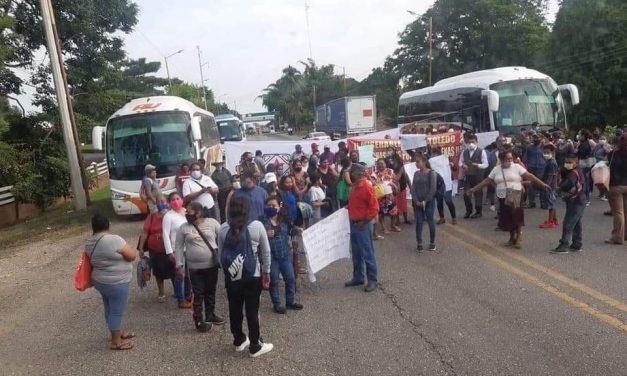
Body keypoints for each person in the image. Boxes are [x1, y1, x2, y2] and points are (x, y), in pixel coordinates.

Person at [218, 196, 273, 357]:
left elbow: (220, 255)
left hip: (232, 277)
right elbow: (266, 251)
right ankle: (255, 345)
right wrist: (266, 271)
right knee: (252, 310)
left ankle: (239, 340)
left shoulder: (223, 228)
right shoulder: (256, 226)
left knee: (234, 308)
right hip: (252, 275)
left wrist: (229, 271)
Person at [467, 151, 550, 249]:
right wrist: (473, 189)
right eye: (508, 159)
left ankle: (518, 237)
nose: (510, 161)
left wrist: (542, 184)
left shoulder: (516, 167)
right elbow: (486, 181)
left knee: (516, 215)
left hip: (514, 192)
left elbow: (530, 176)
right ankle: (512, 238)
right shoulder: (496, 169)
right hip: (502, 194)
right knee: (507, 216)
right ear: (501, 160)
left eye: (511, 158)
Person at [87, 213, 137, 350]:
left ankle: (117, 333)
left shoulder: (90, 241)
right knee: (116, 311)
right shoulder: (114, 239)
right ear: (107, 224)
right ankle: (116, 341)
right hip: (116, 282)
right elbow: (132, 256)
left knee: (109, 307)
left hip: (100, 281)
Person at [175, 202, 224, 331]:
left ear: (199, 212)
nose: (187, 215)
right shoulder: (183, 228)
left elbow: (222, 239)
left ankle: (210, 314)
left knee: (210, 291)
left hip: (211, 265)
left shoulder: (212, 223)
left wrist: (222, 257)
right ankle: (198, 320)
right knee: (198, 293)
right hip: (194, 267)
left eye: (190, 212)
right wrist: (179, 265)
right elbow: (179, 247)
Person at [261, 197, 303, 314]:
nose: (271, 207)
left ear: (279, 207)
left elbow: (291, 230)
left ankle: (290, 302)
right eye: (269, 205)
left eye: (273, 205)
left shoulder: (284, 219)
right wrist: (264, 234)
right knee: (274, 280)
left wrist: (297, 230)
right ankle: (277, 304)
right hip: (271, 257)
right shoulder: (261, 221)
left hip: (285, 255)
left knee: (290, 279)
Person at [345, 163, 379, 292]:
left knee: (367, 253)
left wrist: (365, 220)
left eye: (351, 173)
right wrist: (348, 208)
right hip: (354, 223)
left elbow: (374, 208)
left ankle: (372, 280)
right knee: (356, 253)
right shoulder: (354, 187)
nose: (350, 175)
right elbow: (356, 203)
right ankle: (358, 277)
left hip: (363, 225)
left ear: (356, 174)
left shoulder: (366, 187)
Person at [138, 194, 174, 302]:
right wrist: (141, 248)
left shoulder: (171, 215)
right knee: (158, 272)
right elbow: (145, 232)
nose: (160, 204)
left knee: (173, 270)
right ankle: (161, 292)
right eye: (158, 201)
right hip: (155, 250)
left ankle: (177, 291)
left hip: (168, 249)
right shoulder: (152, 216)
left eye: (163, 201)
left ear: (167, 202)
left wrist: (167, 215)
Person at [162, 192, 192, 308]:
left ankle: (188, 295)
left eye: (178, 198)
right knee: (180, 274)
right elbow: (165, 234)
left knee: (189, 274)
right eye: (173, 200)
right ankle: (181, 299)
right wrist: (170, 252)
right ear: (170, 203)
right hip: (177, 250)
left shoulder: (186, 212)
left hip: (189, 248)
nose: (176, 201)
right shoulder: (168, 216)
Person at [552, 155, 587, 253]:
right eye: (566, 162)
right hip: (579, 199)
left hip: (576, 200)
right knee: (576, 222)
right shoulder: (577, 172)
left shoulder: (573, 173)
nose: (567, 164)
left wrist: (559, 187)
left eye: (570, 162)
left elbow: (568, 184)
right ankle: (577, 244)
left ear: (576, 163)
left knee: (569, 222)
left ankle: (564, 245)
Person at [411, 154, 437, 252]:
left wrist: (425, 201)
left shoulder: (431, 173)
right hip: (418, 202)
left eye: (418, 161)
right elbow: (413, 189)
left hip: (429, 201)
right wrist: (416, 200)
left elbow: (433, 189)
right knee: (419, 222)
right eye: (416, 162)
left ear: (424, 162)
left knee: (430, 221)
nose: (416, 164)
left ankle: (432, 242)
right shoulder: (416, 173)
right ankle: (419, 243)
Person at [459, 134, 489, 218]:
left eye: (473, 142)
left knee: (478, 194)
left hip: (478, 176)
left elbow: (486, 164)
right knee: (466, 194)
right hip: (468, 176)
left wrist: (478, 165)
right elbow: (460, 162)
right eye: (469, 142)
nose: (471, 143)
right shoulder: (464, 152)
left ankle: (478, 211)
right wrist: (463, 165)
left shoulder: (481, 151)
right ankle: (468, 210)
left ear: (476, 142)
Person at [606, 134, 627, 245]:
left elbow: (607, 166)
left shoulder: (613, 154)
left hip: (616, 185)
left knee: (618, 212)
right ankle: (625, 234)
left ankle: (617, 237)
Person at [429, 147, 456, 225]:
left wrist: (452, 164)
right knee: (440, 201)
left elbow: (455, 168)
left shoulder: (447, 158)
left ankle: (454, 217)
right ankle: (442, 218)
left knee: (448, 201)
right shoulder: (431, 161)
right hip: (438, 184)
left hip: (447, 183)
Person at [523, 134, 546, 208]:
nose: (536, 139)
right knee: (530, 186)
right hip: (531, 168)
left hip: (542, 168)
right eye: (535, 138)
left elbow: (549, 157)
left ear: (541, 138)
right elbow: (525, 159)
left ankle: (543, 203)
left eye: (538, 138)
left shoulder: (544, 147)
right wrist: (525, 167)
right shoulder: (529, 147)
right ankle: (531, 203)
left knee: (542, 186)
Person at [539, 144, 559, 229]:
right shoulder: (550, 161)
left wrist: (546, 185)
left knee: (551, 204)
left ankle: (550, 222)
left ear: (552, 152)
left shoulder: (551, 163)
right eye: (544, 152)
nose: (546, 154)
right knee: (552, 203)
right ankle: (554, 220)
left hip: (550, 186)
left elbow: (551, 175)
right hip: (551, 185)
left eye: (548, 152)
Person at [576, 130, 595, 204]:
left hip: (584, 164)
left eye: (579, 135)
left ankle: (585, 199)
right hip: (585, 164)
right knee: (585, 180)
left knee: (584, 181)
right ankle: (585, 198)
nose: (578, 136)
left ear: (583, 136)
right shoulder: (584, 143)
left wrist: (576, 152)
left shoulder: (585, 144)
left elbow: (581, 153)